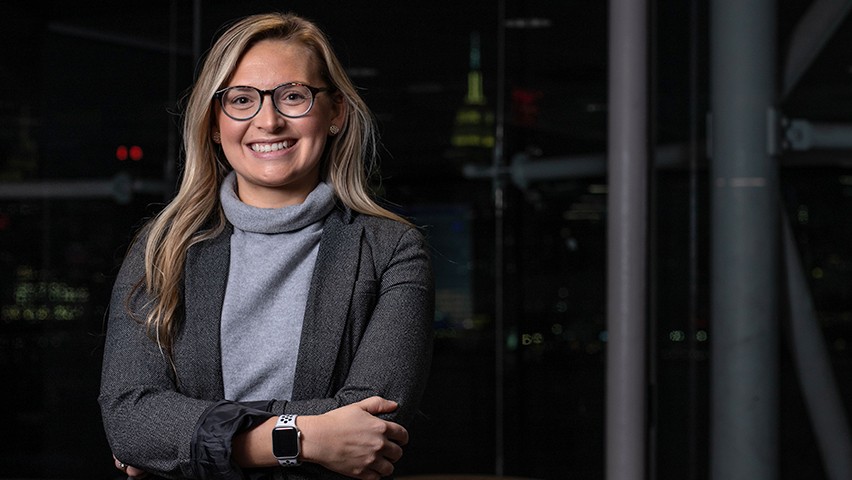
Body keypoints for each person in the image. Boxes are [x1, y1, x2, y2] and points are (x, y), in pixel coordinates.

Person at [98, 11, 434, 480]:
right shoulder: (162, 246)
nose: (268, 120)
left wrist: (185, 439)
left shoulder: (391, 249)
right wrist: (307, 437)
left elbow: (371, 430)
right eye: (241, 100)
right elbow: (128, 420)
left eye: (293, 96)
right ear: (215, 123)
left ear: (335, 112)